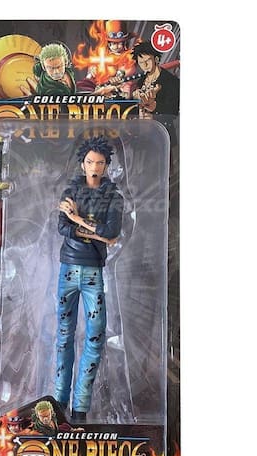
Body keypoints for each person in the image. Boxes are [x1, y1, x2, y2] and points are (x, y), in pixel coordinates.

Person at [55, 136, 123, 423]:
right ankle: (58, 403)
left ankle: (80, 406)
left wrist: (79, 220)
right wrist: (97, 233)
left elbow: (111, 233)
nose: (94, 167)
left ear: (106, 165)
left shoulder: (114, 198)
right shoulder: (71, 192)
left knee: (95, 336)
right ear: (82, 164)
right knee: (64, 337)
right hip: (68, 269)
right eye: (90, 161)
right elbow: (63, 227)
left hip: (93, 272)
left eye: (100, 162)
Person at [131, 41, 179, 117]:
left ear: (156, 59)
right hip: (140, 122)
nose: (145, 65)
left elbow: (174, 109)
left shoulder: (171, 81)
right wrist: (134, 98)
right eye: (141, 63)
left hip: (161, 123)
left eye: (148, 60)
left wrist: (155, 107)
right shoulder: (141, 81)